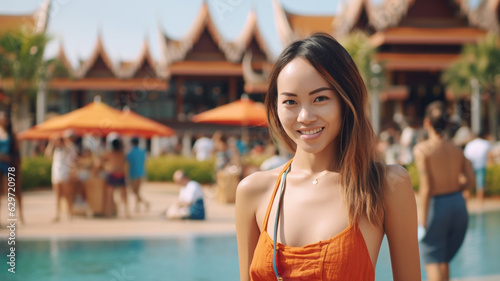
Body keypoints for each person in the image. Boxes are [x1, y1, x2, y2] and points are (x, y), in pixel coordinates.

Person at [235, 33, 421, 281]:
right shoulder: (253, 191)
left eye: (320, 98)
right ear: (276, 107)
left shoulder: (385, 185)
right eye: (290, 101)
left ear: (346, 101)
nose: (305, 116)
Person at [413, 101, 475, 281]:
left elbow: (426, 187)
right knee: (443, 259)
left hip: (436, 206)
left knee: (432, 258)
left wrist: (422, 220)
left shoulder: (423, 150)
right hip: (458, 204)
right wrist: (455, 189)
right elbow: (470, 182)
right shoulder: (457, 149)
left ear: (427, 123)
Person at [45, 129, 79, 222]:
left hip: (65, 172)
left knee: (67, 194)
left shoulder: (70, 147)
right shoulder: (57, 148)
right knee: (57, 195)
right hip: (56, 172)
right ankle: (58, 214)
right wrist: (51, 143)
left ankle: (70, 213)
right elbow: (47, 154)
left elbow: (74, 157)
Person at [0, 111, 24, 223]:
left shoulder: (12, 134)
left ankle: (18, 215)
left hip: (10, 164)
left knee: (13, 191)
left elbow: (17, 151)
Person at [101, 138, 130, 218]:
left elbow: (100, 162)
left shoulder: (109, 154)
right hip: (121, 174)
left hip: (112, 174)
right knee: (124, 195)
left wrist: (105, 167)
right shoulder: (122, 154)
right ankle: (127, 212)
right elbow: (126, 165)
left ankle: (107, 213)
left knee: (109, 195)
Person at [464, 129, 491, 204]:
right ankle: (480, 203)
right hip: (481, 166)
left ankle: (466, 203)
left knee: (469, 186)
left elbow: (466, 157)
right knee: (481, 185)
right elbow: (490, 154)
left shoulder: (470, 144)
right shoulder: (486, 143)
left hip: (471, 166)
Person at [126, 137, 150, 212]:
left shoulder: (130, 153)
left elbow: (127, 164)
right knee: (137, 191)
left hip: (133, 174)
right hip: (141, 173)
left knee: (134, 191)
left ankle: (145, 203)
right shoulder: (142, 152)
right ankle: (137, 207)